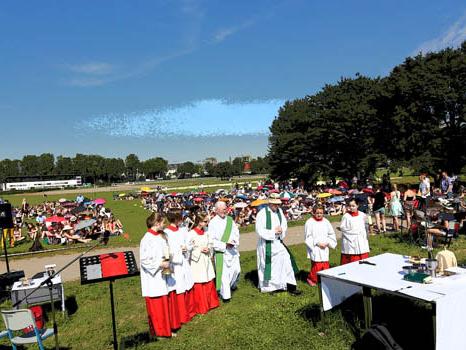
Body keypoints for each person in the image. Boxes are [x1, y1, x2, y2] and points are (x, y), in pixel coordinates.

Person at [140, 212, 179, 338]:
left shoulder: (161, 236)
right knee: (157, 305)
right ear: (157, 223)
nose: (164, 225)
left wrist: (169, 258)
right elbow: (144, 260)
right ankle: (160, 332)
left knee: (165, 302)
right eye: (163, 222)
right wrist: (160, 264)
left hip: (164, 275)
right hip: (153, 278)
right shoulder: (147, 239)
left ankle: (168, 328)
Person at [255, 193, 300, 294]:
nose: (277, 206)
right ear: (270, 203)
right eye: (274, 204)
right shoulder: (262, 213)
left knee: (286, 261)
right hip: (266, 243)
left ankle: (290, 285)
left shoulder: (279, 211)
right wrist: (273, 232)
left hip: (278, 242)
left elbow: (284, 224)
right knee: (269, 266)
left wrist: (281, 230)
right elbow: (259, 230)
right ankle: (271, 288)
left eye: (278, 204)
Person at [164, 210, 196, 323]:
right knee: (179, 287)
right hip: (175, 265)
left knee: (187, 283)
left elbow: (188, 243)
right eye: (180, 218)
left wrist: (187, 247)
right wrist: (179, 250)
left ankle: (190, 311)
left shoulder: (183, 230)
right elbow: (167, 250)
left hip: (184, 261)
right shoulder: (166, 233)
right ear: (176, 219)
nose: (182, 220)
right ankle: (181, 315)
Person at [187, 212, 219, 314]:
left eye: (207, 221)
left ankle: (211, 303)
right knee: (200, 281)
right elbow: (188, 249)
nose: (207, 223)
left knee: (208, 279)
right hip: (197, 261)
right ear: (199, 222)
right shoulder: (191, 234)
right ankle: (201, 306)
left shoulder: (206, 232)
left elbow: (210, 243)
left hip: (206, 259)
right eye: (205, 221)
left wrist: (208, 248)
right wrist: (199, 250)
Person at [209, 201, 240, 302]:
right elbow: (211, 240)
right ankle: (226, 295)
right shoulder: (212, 223)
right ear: (216, 210)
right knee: (223, 275)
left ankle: (231, 285)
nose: (224, 211)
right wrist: (224, 245)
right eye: (221, 209)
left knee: (237, 270)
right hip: (221, 252)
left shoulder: (230, 220)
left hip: (232, 250)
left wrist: (234, 241)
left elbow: (236, 233)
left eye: (225, 209)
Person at [304, 204, 337, 286]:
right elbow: (308, 236)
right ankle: (312, 278)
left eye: (321, 213)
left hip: (325, 245)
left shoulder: (326, 221)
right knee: (317, 264)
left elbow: (331, 233)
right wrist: (317, 243)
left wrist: (328, 242)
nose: (319, 215)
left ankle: (325, 278)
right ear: (313, 213)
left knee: (325, 263)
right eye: (317, 213)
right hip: (315, 246)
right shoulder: (310, 222)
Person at [340, 198, 370, 264]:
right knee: (352, 259)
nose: (351, 208)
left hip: (361, 240)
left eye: (353, 206)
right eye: (350, 206)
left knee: (362, 257)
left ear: (357, 205)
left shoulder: (362, 215)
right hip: (350, 241)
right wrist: (353, 234)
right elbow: (343, 228)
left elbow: (366, 225)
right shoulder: (346, 216)